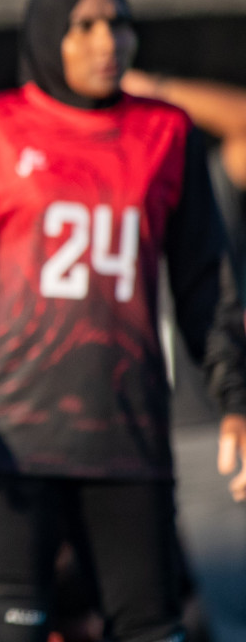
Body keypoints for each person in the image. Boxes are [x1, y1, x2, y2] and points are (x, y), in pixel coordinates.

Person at [0, 0, 246, 642]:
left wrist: (236, 399)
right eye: (86, 25)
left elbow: (204, 286)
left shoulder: (166, 134)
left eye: (120, 23)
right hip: (14, 435)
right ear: (46, 36)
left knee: (150, 628)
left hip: (128, 437)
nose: (109, 41)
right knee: (13, 628)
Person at [121, 69, 246, 642]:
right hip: (106, 439)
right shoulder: (66, 180)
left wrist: (153, 88)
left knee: (233, 615)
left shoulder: (202, 182)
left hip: (205, 433)